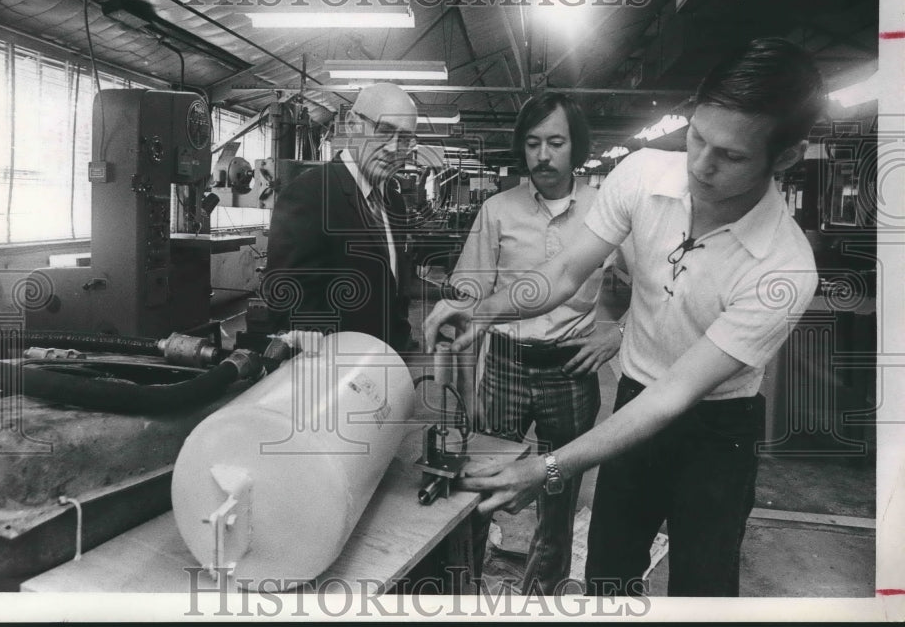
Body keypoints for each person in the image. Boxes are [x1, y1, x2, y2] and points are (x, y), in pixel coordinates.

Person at [424, 38, 825, 596]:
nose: (701, 167)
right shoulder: (641, 176)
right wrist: (484, 309)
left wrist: (547, 468)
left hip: (717, 428)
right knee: (608, 572)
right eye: (697, 138)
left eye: (730, 156)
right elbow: (565, 273)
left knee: (702, 588)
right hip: (635, 395)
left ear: (785, 157)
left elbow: (676, 396)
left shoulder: (784, 268)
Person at [448, 92, 622, 595]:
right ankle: (463, 590)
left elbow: (648, 282)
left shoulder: (606, 211)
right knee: (481, 485)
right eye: (532, 143)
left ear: (576, 148)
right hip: (503, 364)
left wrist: (619, 329)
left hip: (571, 368)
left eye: (555, 142)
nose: (543, 155)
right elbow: (470, 289)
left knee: (557, 492)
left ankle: (541, 598)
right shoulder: (497, 210)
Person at [263, 83, 418, 355]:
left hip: (382, 368)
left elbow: (391, 291)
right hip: (332, 374)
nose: (394, 148)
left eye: (404, 139)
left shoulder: (393, 200)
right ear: (352, 123)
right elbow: (286, 301)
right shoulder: (310, 194)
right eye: (384, 131)